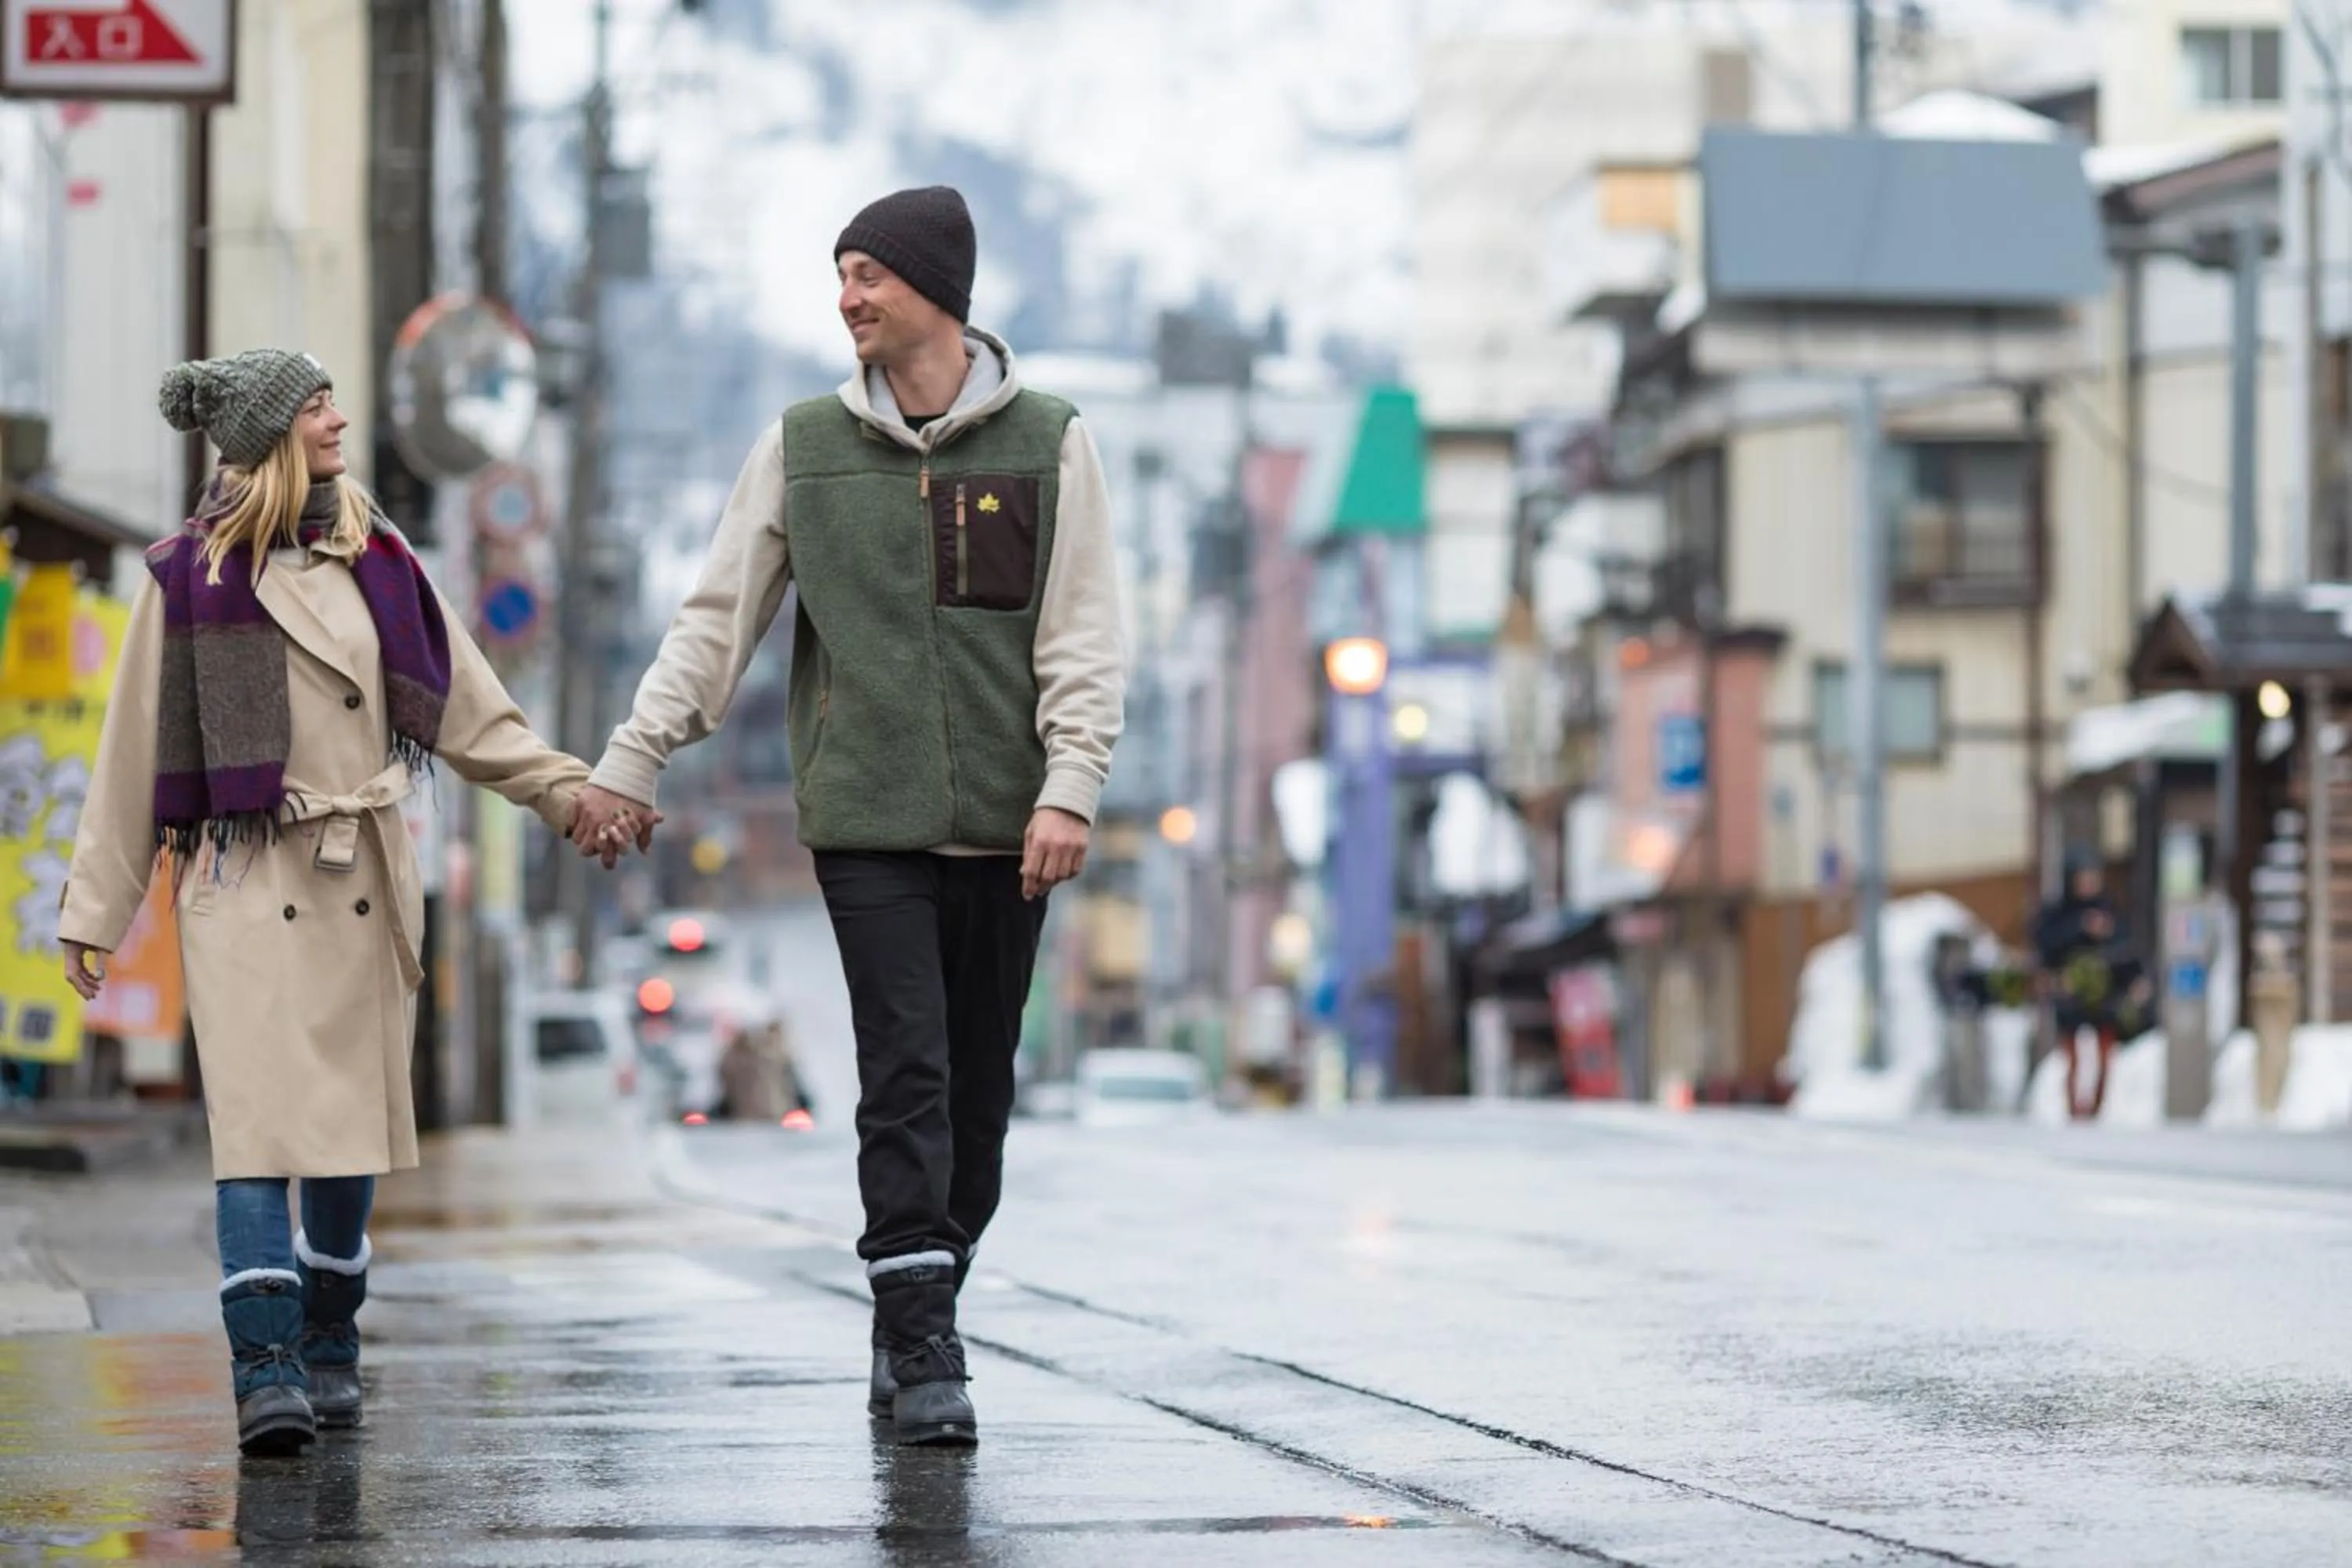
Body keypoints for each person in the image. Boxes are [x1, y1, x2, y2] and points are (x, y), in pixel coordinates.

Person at [569, 186, 1125, 1446]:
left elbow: (1083, 632)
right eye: (840, 273)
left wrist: (1069, 786)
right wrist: (634, 757)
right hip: (865, 817)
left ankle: (911, 1301)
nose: (848, 298)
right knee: (907, 1071)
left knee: (979, 1104)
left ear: (937, 289)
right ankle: (928, 1348)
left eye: (870, 273)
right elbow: (718, 621)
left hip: (1007, 826)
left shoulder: (1048, 439)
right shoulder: (803, 446)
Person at [59, 350, 590, 1456]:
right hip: (244, 873)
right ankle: (265, 1369)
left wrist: (573, 796)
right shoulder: (188, 580)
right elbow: (128, 757)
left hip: (360, 873)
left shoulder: (382, 559)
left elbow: (468, 713)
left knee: (344, 1139)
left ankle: (331, 1336)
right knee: (256, 1131)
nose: (340, 421)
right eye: (316, 408)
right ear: (267, 440)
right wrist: (93, 914)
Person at [2031, 854, 2143, 1120]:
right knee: (2072, 1056)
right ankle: (2074, 1110)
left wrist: (2134, 978)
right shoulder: (2059, 912)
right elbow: (2045, 943)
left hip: (2103, 994)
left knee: (2105, 1052)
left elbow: (2125, 948)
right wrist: (2080, 928)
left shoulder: (2108, 909)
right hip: (2070, 992)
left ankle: (2095, 1108)